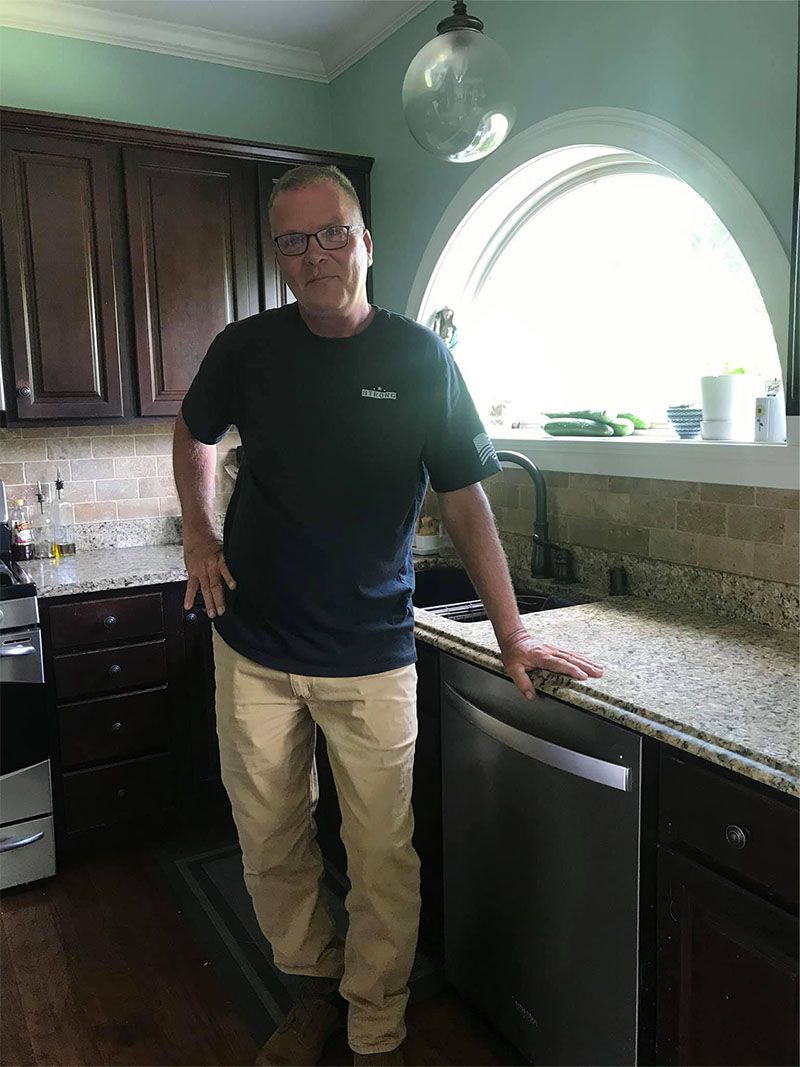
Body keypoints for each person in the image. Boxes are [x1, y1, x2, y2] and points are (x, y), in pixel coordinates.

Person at [173, 164, 603, 1067]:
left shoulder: (420, 359)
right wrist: (200, 536)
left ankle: (375, 1024)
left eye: (333, 232)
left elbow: (466, 500)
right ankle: (312, 989)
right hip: (253, 645)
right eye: (294, 240)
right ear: (279, 256)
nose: (315, 254)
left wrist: (514, 633)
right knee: (271, 839)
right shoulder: (246, 349)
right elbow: (194, 431)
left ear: (366, 242)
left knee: (380, 855)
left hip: (371, 653)